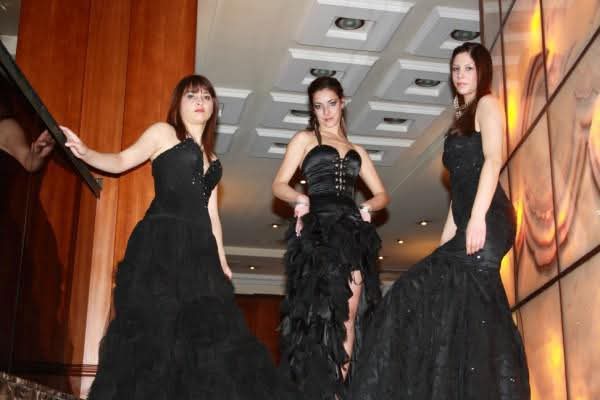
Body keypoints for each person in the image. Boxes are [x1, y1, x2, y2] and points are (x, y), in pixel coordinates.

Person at [64, 74, 298, 400]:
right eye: (191, 95)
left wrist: (222, 262)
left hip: (200, 253)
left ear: (214, 106)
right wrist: (87, 152)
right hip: (162, 241)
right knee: (155, 329)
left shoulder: (214, 161)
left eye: (206, 96)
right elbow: (120, 161)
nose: (200, 101)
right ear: (179, 103)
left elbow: (212, 216)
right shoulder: (163, 133)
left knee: (205, 336)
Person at [348, 42, 530, 400]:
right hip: (467, 218)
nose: (460, 75)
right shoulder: (461, 117)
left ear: (482, 72)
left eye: (468, 68)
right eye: (455, 69)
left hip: (489, 217)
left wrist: (477, 219)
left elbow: (494, 160)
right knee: (460, 309)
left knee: (417, 294)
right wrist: (443, 244)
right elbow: (458, 190)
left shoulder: (488, 104)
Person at [272, 76, 390, 399]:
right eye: (318, 106)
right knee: (317, 314)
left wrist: (367, 207)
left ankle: (339, 393)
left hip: (351, 233)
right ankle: (314, 389)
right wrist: (300, 198)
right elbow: (279, 184)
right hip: (318, 231)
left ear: (342, 103)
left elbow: (382, 194)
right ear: (312, 109)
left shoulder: (356, 150)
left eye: (332, 104)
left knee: (348, 317)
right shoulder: (304, 139)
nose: (326, 113)